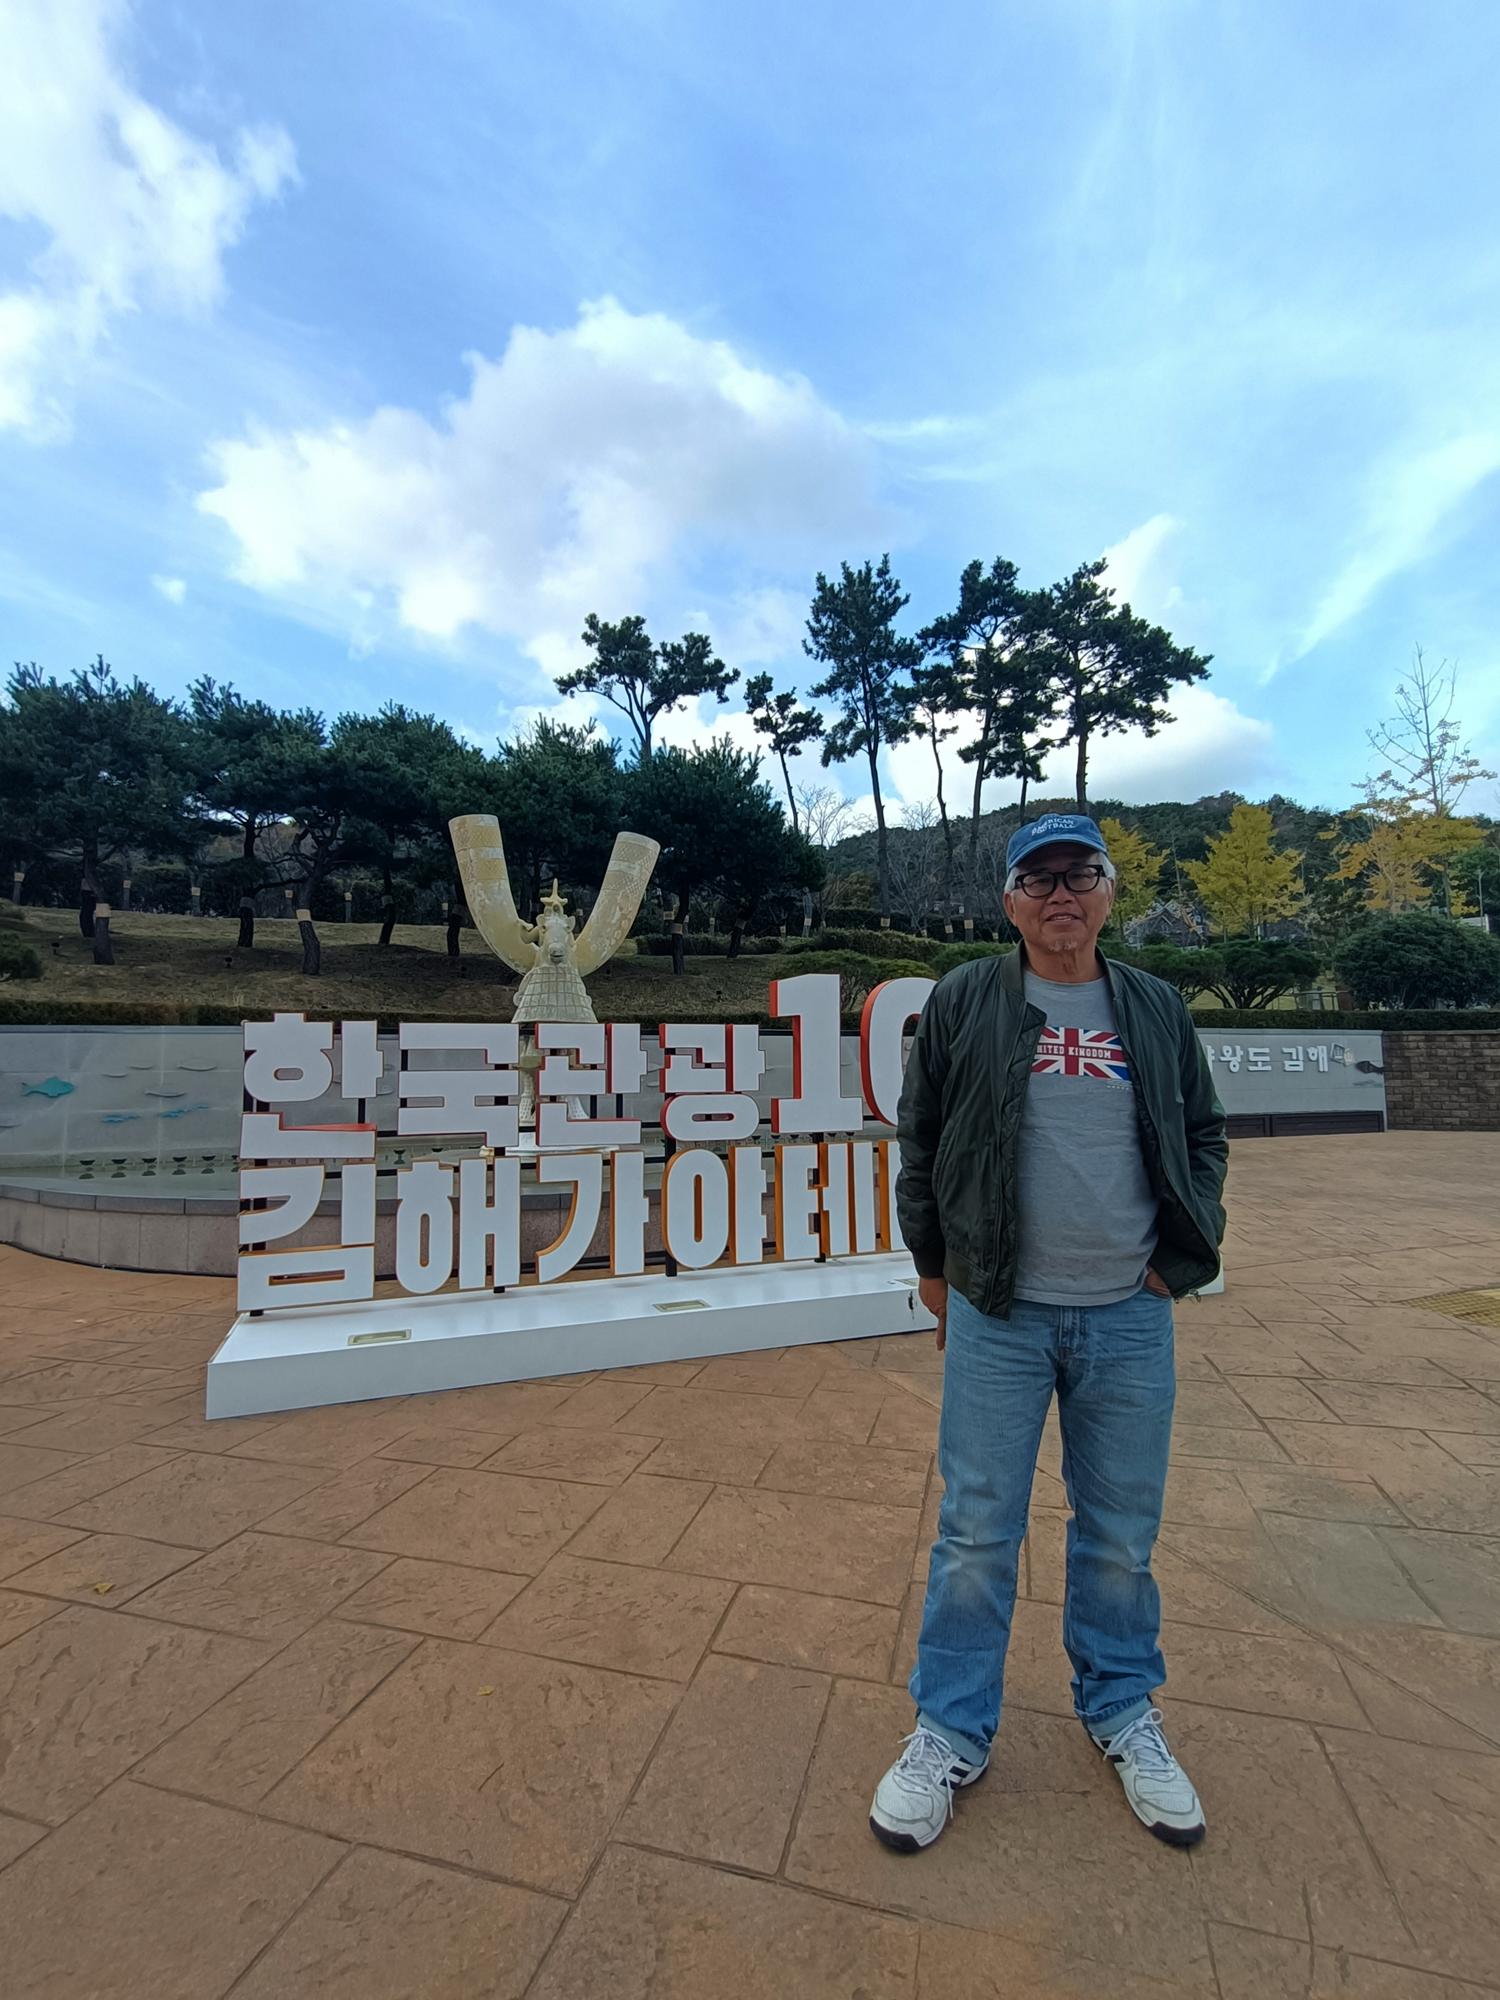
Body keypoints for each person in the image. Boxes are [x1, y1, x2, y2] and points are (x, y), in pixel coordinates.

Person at [870, 813, 1227, 1854]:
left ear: (1110, 892)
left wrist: (1183, 1256)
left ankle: (1122, 1709)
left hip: (1130, 1312)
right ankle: (949, 1728)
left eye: (1081, 874)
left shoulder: (1153, 1005)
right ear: (1009, 902)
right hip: (1001, 1311)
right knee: (977, 1530)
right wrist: (934, 1265)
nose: (1061, 894)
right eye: (1039, 879)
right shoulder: (967, 998)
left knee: (1119, 1533)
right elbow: (923, 1137)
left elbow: (1203, 1134)